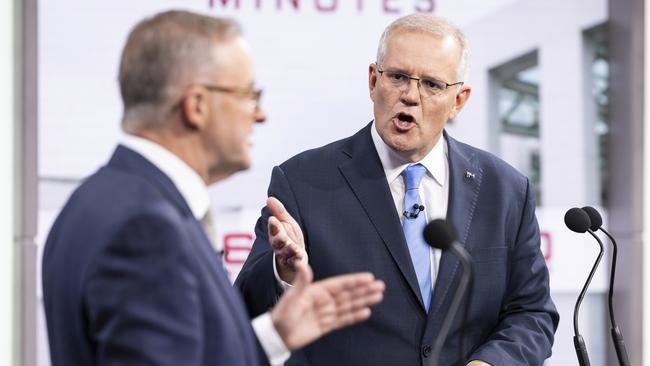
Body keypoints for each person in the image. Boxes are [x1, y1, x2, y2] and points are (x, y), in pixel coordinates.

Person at [42, 10, 385, 366]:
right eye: (248, 95)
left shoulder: (97, 199)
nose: (260, 114)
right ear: (197, 106)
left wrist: (273, 336)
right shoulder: (145, 229)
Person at [236, 14, 559, 366]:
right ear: (374, 80)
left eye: (432, 85)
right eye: (398, 77)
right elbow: (245, 310)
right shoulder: (302, 181)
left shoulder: (506, 189)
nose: (410, 96)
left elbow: (532, 313)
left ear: (459, 101)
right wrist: (283, 273)